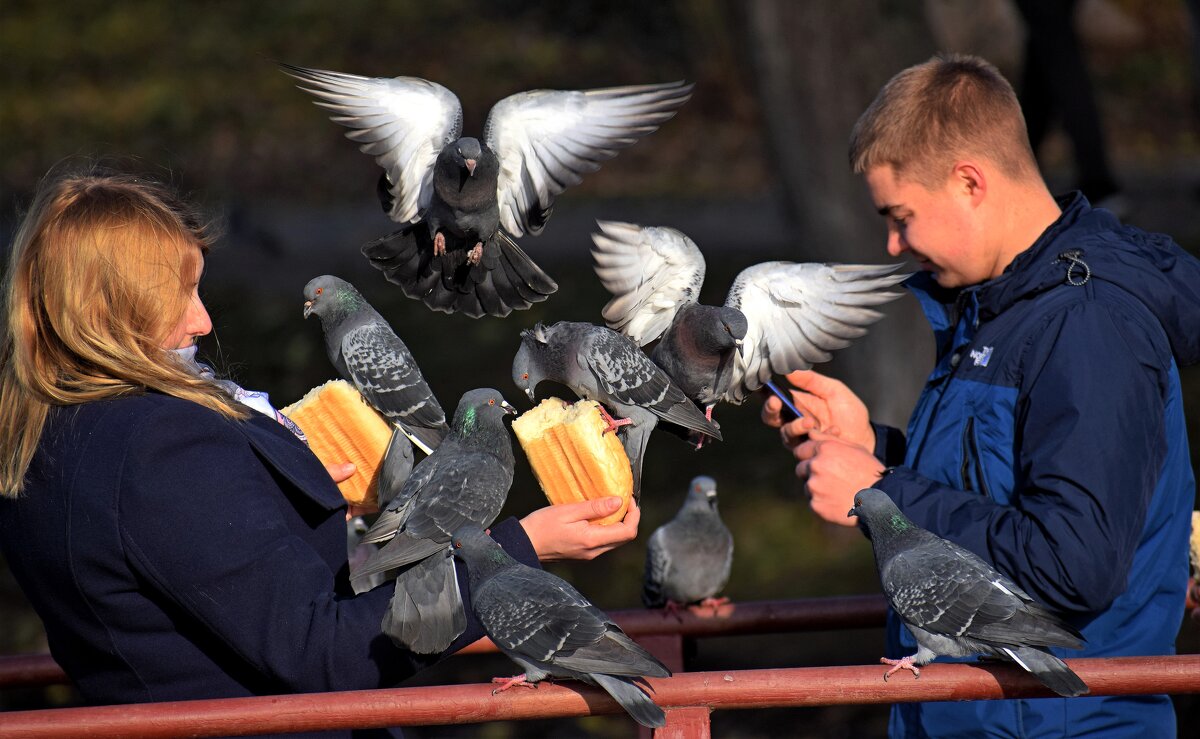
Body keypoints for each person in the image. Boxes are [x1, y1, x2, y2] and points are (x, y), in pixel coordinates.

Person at [0, 166, 640, 736]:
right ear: (115, 306)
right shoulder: (159, 444)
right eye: (180, 294)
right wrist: (516, 554)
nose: (203, 322)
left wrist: (285, 497)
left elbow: (180, 577)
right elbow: (324, 653)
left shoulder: (43, 437)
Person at [762, 54, 1199, 737]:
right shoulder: (1001, 306)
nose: (892, 242)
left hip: (1060, 723)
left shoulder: (1088, 325)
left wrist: (881, 488)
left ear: (970, 181)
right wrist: (870, 446)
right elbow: (999, 492)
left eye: (901, 216)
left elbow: (1071, 564)